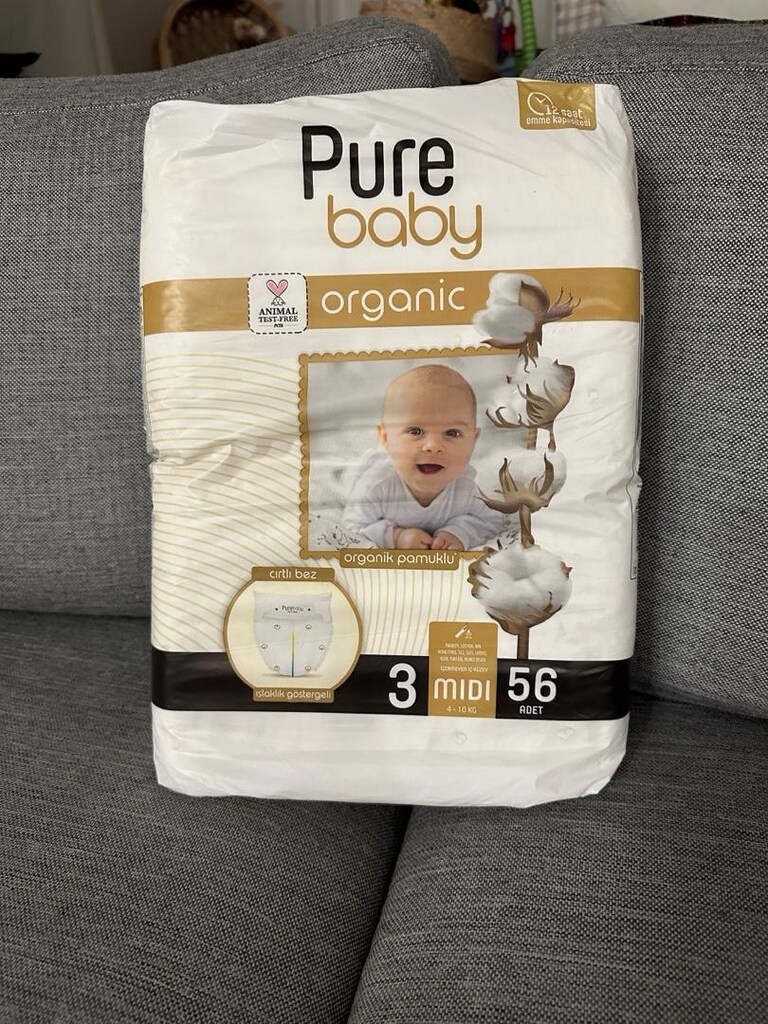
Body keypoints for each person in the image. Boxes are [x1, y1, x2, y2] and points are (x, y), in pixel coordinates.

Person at [342, 364, 504, 550]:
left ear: (473, 440)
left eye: (452, 433)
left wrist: (458, 532)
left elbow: (491, 521)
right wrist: (395, 537)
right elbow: (352, 528)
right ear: (385, 438)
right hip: (359, 473)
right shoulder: (375, 484)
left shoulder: (470, 486)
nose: (433, 446)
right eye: (415, 431)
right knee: (345, 479)